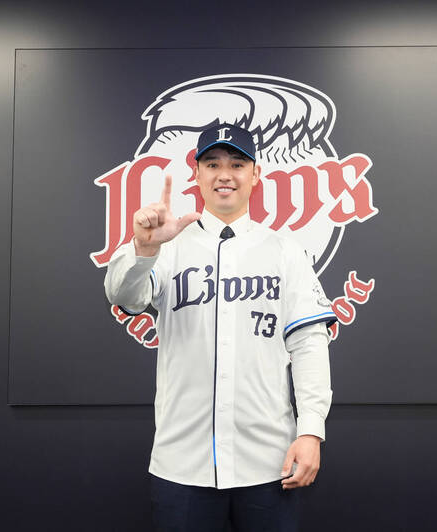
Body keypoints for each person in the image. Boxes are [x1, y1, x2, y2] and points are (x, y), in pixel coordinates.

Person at [104, 123, 335, 531]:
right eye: (212, 164)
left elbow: (309, 344)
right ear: (196, 174)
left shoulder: (285, 250)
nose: (224, 174)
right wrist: (144, 248)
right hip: (182, 463)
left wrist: (311, 431)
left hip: (269, 461)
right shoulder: (166, 244)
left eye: (237, 164)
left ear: (256, 174)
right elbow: (124, 295)